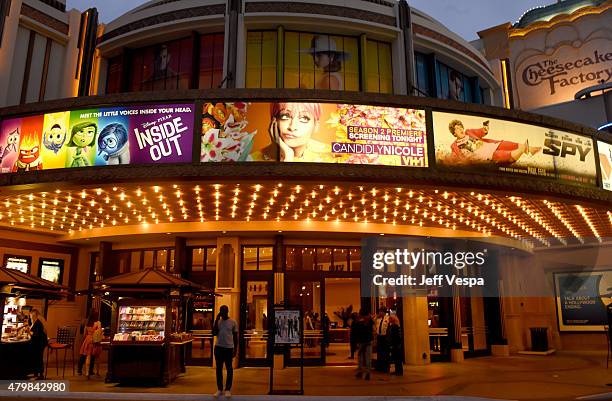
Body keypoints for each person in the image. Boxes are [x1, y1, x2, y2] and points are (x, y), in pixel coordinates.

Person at [256, 102, 330, 162]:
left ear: (316, 125)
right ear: (273, 122)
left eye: (304, 118)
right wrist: (287, 156)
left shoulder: (333, 156)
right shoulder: (252, 159)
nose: (292, 127)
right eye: (285, 116)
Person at [447, 120, 541, 165]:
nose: (460, 129)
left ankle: (530, 149)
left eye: (461, 127)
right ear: (454, 133)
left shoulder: (468, 132)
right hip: (485, 155)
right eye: (457, 129)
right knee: (505, 155)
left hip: (491, 145)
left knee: (510, 144)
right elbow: (454, 158)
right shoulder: (454, 146)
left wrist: (485, 128)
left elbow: (481, 132)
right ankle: (523, 149)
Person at [213, 305, 238, 399]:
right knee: (218, 369)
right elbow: (214, 333)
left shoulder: (233, 322)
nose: (222, 313)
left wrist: (235, 349)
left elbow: (235, 337)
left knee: (229, 369)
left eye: (223, 311)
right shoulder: (218, 322)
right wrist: (216, 319)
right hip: (218, 348)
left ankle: (228, 389)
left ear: (227, 311)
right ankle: (219, 389)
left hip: (228, 348)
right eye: (220, 311)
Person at [353, 308, 374, 380]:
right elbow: (372, 330)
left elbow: (356, 331)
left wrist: (356, 342)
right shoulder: (370, 321)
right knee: (368, 358)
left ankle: (360, 372)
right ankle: (368, 373)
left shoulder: (358, 321)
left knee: (360, 357)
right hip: (368, 341)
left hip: (361, 341)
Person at [29, 309, 48, 379]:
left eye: (31, 316)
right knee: (36, 358)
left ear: (34, 315)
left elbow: (36, 335)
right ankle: (36, 373)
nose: (30, 317)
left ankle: (41, 375)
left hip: (40, 343)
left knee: (39, 358)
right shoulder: (35, 322)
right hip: (38, 343)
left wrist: (28, 331)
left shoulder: (38, 323)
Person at [374, 307, 390, 373]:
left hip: (385, 337)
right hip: (379, 337)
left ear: (384, 312)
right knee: (379, 352)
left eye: (381, 311)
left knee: (385, 353)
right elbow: (373, 323)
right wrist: (376, 317)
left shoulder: (388, 318)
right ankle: (379, 367)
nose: (380, 313)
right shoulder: (378, 319)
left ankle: (386, 368)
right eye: (379, 311)